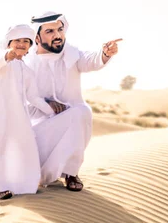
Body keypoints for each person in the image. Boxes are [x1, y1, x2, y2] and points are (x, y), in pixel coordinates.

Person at [23, 11, 121, 191]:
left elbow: (92, 61)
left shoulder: (72, 54)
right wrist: (46, 104)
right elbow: (21, 97)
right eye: (50, 32)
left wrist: (105, 54)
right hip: (39, 125)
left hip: (71, 120)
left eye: (60, 30)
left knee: (81, 113)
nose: (58, 35)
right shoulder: (27, 63)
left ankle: (71, 172)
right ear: (36, 37)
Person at [0, 24, 55, 200]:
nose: (21, 44)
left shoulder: (28, 71)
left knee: (23, 146)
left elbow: (34, 97)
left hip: (19, 115)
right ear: (9, 43)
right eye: (17, 40)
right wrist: (7, 56)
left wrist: (52, 109)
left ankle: (23, 184)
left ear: (30, 46)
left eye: (25, 41)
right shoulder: (2, 62)